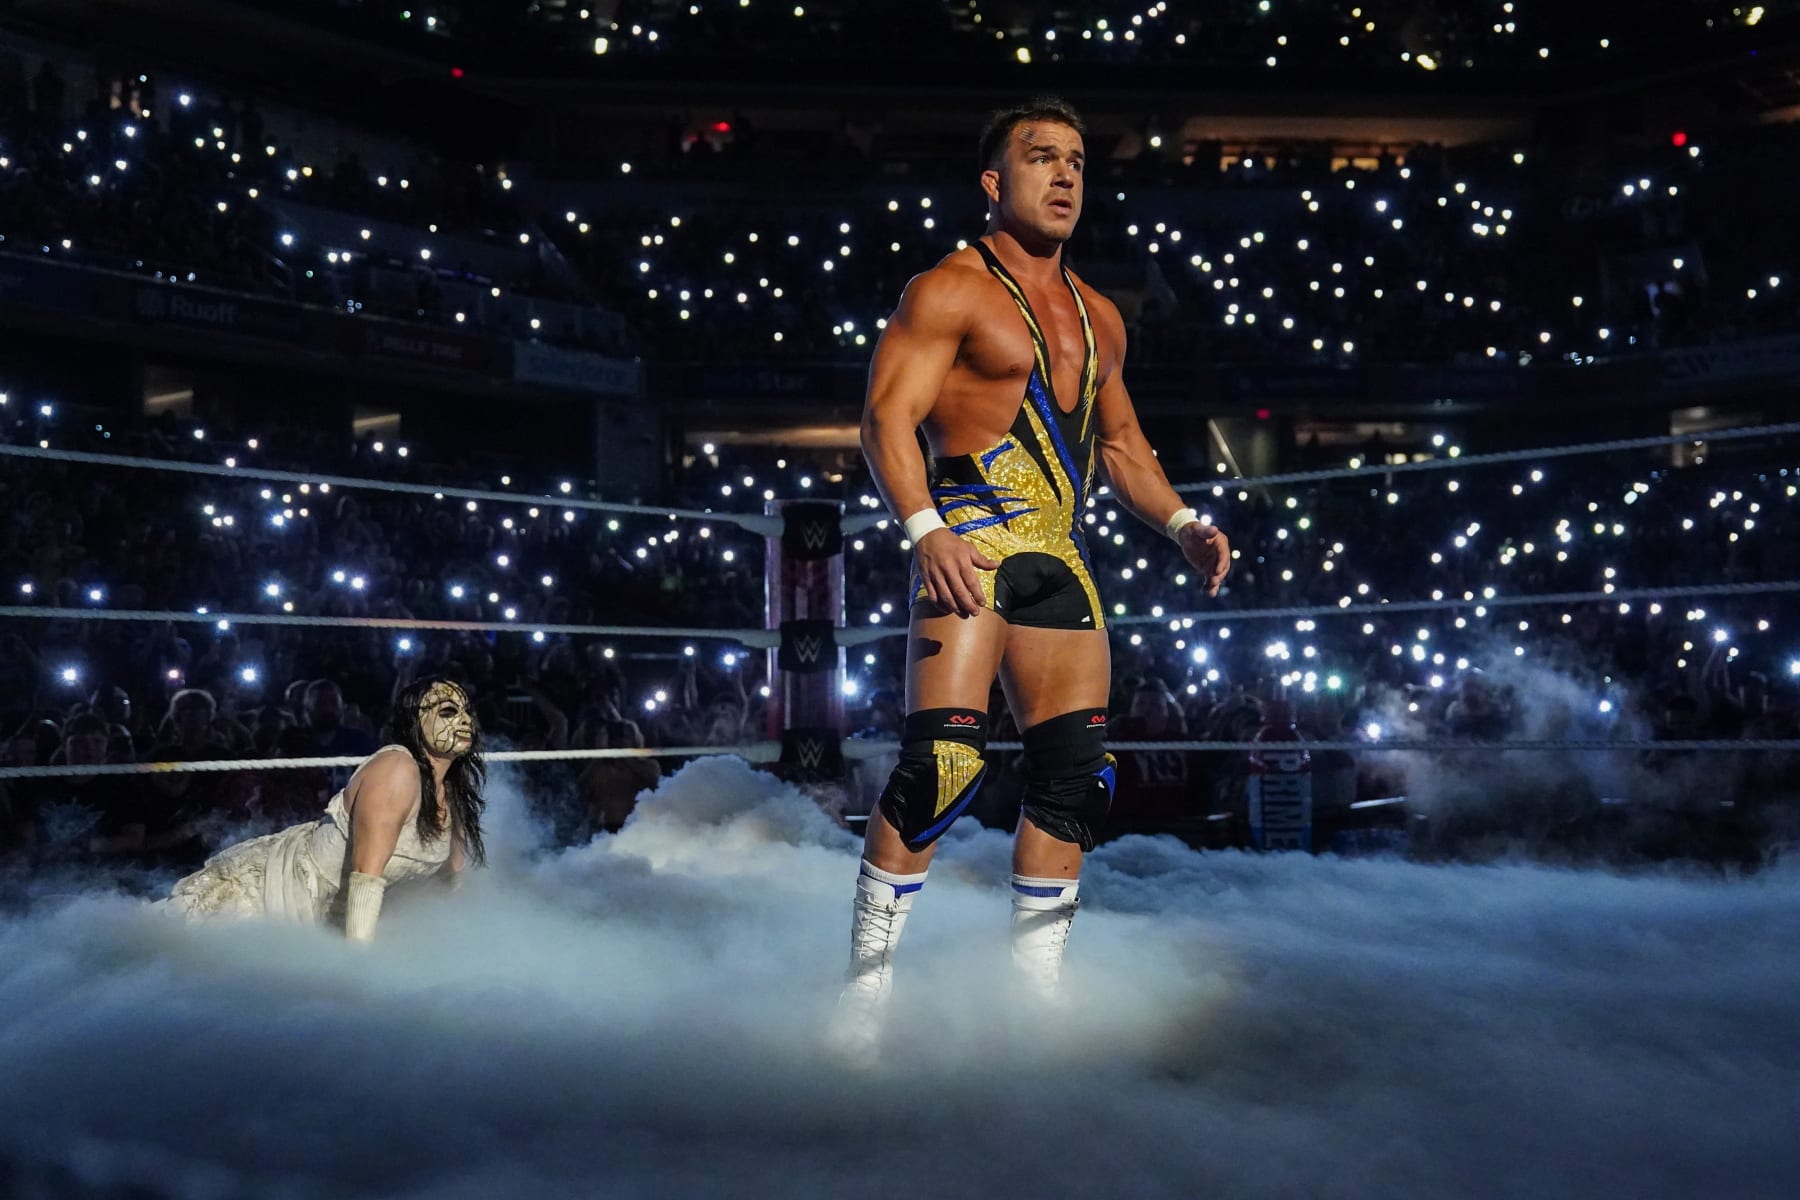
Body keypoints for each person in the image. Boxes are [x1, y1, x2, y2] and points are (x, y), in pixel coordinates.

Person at [833, 97, 1232, 1051]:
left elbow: (1124, 443)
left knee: (1077, 783)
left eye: (1077, 162)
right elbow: (886, 418)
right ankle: (861, 998)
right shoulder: (948, 290)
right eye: (1041, 157)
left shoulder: (1099, 315)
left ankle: (1033, 1000)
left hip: (1064, 558)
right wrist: (923, 526)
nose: (1062, 176)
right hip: (969, 543)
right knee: (942, 769)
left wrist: (1180, 521)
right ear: (993, 181)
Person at [161, 677, 487, 940]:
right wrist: (354, 977)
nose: (463, 720)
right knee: (162, 952)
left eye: (466, 710)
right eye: (447, 711)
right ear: (417, 721)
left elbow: (451, 880)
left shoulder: (453, 791)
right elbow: (366, 877)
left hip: (325, 921)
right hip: (271, 897)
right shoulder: (396, 769)